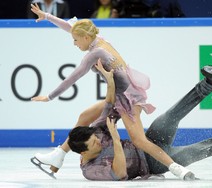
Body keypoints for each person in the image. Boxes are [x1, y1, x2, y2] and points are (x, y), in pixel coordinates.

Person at [29, 3, 194, 180]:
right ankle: (59, 155)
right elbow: (72, 27)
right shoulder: (97, 38)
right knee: (85, 116)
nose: (74, 44)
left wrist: (49, 97)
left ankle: (177, 169)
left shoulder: (95, 53)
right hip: (119, 95)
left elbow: (72, 78)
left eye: (76, 40)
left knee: (139, 140)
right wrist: (46, 16)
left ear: (85, 37)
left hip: (127, 99)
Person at [67, 65, 212, 180]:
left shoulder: (96, 132)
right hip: (153, 163)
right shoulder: (91, 171)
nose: (99, 142)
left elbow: (110, 105)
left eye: (97, 139)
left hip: (148, 140)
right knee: (198, 150)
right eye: (95, 144)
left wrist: (111, 81)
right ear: (84, 153)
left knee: (170, 116)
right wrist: (117, 141)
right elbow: (119, 174)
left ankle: (211, 82)